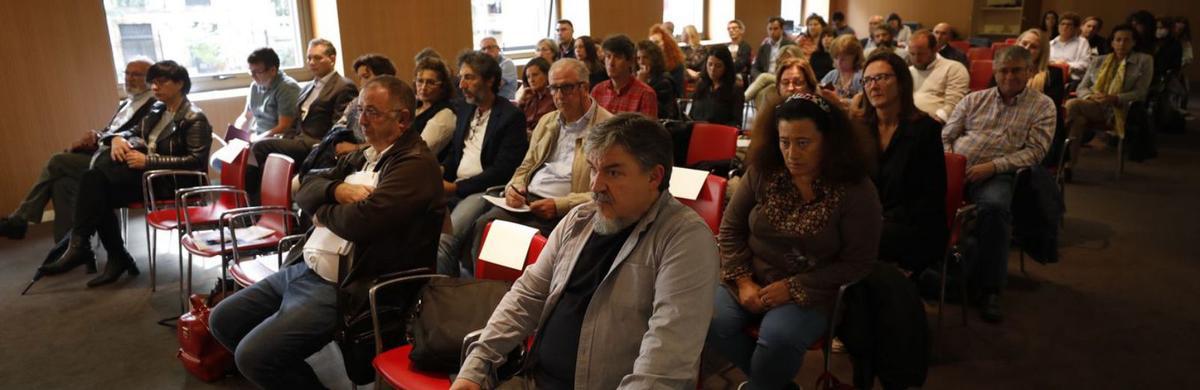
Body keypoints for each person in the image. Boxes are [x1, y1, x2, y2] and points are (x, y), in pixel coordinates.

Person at [451, 113, 717, 390]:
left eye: (613, 172)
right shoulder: (580, 219)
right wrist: (475, 368)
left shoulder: (684, 240)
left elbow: (663, 363)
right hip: (532, 379)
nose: (595, 185)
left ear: (654, 176)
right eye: (593, 169)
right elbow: (526, 296)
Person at [210, 75, 445, 388]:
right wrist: (337, 192)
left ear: (402, 119)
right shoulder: (364, 154)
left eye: (372, 112)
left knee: (253, 357)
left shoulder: (415, 165)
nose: (361, 120)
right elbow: (306, 186)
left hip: (348, 288)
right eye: (360, 110)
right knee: (223, 320)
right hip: (304, 268)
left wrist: (321, 210)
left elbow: (360, 223)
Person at [708, 93, 880, 390]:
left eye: (803, 143)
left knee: (778, 338)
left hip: (814, 287)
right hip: (753, 277)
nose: (791, 154)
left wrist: (792, 288)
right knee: (708, 318)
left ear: (829, 141)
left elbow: (858, 262)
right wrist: (744, 280)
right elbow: (731, 227)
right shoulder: (763, 171)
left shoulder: (856, 189)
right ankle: (773, 385)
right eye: (784, 142)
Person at [40, 60, 212, 286]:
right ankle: (105, 252)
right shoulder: (159, 108)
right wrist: (118, 139)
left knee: (95, 184)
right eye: (152, 83)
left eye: (161, 82)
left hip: (171, 181)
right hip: (148, 177)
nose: (154, 88)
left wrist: (148, 160)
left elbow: (196, 162)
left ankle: (92, 249)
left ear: (179, 84)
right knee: (96, 188)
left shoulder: (194, 118)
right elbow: (133, 131)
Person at [440, 59, 615, 276]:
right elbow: (525, 166)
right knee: (485, 226)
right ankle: (488, 291)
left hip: (569, 211)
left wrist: (558, 205)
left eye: (566, 87)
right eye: (554, 88)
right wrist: (515, 187)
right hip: (529, 202)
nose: (559, 95)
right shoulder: (548, 122)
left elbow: (606, 192)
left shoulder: (607, 129)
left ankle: (525, 293)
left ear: (585, 87)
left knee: (531, 245)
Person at [942, 46, 1056, 322]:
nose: (1009, 76)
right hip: (955, 168)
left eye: (1016, 70)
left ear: (1029, 72)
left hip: (998, 173)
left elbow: (1035, 152)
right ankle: (923, 271)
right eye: (1003, 70)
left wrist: (991, 167)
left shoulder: (1042, 106)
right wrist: (950, 161)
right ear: (995, 72)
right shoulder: (974, 100)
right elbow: (947, 134)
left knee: (994, 208)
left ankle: (990, 288)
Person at [0, 58, 156, 241]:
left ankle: (20, 219)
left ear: (151, 78)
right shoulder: (127, 103)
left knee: (57, 161)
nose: (129, 78)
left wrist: (104, 140)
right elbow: (112, 132)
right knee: (62, 184)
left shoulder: (154, 105)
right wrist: (95, 136)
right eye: (127, 73)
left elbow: (137, 139)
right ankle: (67, 244)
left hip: (121, 165)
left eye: (136, 74)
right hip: (104, 155)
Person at [860, 51, 948, 275]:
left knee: (854, 241)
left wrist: (879, 219)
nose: (874, 85)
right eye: (868, 80)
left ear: (901, 83)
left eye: (882, 78)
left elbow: (930, 197)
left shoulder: (925, 130)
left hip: (914, 226)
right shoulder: (861, 129)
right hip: (869, 220)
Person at [248, 39, 357, 202]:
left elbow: (340, 125)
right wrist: (287, 138)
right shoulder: (307, 87)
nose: (312, 62)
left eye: (318, 58)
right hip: (298, 140)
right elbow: (295, 122)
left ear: (332, 59)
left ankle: (250, 202)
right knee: (267, 163)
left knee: (259, 146)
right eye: (309, 58)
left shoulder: (343, 86)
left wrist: (323, 146)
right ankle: (268, 208)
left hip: (316, 143)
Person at [1064, 25, 1154, 179]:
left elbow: (1141, 92)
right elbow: (1082, 87)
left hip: (1119, 109)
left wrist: (1115, 98)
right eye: (1118, 40)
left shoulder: (1144, 60)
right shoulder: (1099, 60)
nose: (1121, 44)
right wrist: (1092, 97)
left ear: (1134, 43)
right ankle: (1068, 167)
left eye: (1126, 40)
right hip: (1092, 104)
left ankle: (1058, 153)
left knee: (1072, 105)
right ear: (1112, 42)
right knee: (1078, 120)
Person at [441, 51, 529, 202]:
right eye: (461, 77)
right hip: (456, 183)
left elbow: (502, 171)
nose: (461, 85)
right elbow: (455, 152)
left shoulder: (511, 116)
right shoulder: (466, 108)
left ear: (489, 80)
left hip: (486, 190)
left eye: (469, 77)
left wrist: (455, 188)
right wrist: (441, 170)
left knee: (455, 223)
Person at [299, 53, 399, 177]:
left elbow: (390, 141)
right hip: (344, 159)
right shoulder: (356, 102)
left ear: (384, 78)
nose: (362, 83)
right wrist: (336, 142)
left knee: (304, 185)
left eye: (366, 76)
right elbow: (339, 125)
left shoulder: (395, 104)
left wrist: (356, 147)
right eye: (360, 77)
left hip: (369, 163)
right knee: (305, 181)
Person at [909, 29, 970, 122]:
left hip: (934, 124)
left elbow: (953, 105)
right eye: (912, 54)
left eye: (921, 54)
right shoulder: (909, 71)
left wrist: (933, 123)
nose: (916, 59)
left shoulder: (954, 68)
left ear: (935, 49)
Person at [592, 34, 658, 118]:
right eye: (608, 57)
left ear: (630, 61)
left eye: (618, 57)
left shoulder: (645, 94)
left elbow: (648, 130)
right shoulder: (598, 90)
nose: (611, 63)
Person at [240, 47, 300, 138]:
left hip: (276, 139)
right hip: (258, 136)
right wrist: (237, 134)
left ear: (272, 70)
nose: (253, 76)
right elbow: (247, 117)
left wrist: (257, 140)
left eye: (257, 72)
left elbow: (284, 127)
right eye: (251, 72)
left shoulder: (287, 88)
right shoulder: (255, 86)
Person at [413, 56, 458, 156]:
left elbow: (420, 152)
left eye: (431, 83)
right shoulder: (414, 106)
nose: (423, 87)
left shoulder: (445, 114)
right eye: (420, 81)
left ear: (443, 87)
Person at [689, 46, 744, 126]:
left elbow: (736, 122)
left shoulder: (734, 89)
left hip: (719, 133)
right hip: (698, 132)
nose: (713, 69)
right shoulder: (701, 85)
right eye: (710, 64)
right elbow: (692, 115)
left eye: (718, 66)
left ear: (726, 67)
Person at [1017, 29, 1067, 107]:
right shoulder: (1004, 69)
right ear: (1017, 44)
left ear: (1042, 52)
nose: (1026, 48)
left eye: (1033, 47)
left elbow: (1051, 105)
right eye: (1024, 44)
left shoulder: (1054, 74)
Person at [636, 39, 681, 120]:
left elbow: (660, 111)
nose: (641, 62)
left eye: (645, 57)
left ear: (654, 59)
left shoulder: (664, 82)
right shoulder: (637, 77)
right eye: (638, 58)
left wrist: (642, 85)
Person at [1049, 12, 1093, 84]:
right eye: (1062, 24)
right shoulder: (1051, 44)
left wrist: (1065, 65)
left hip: (1072, 81)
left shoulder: (1082, 42)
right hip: (1050, 78)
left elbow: (1086, 64)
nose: (1065, 27)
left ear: (1076, 28)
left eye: (1069, 24)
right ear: (1058, 26)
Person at [820, 35, 865, 102]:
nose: (839, 62)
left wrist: (838, 100)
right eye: (836, 58)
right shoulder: (832, 74)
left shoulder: (861, 76)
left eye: (844, 59)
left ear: (855, 58)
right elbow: (818, 90)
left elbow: (863, 102)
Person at [518, 57, 556, 136]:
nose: (531, 80)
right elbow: (514, 121)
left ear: (546, 75)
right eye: (528, 77)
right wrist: (521, 102)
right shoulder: (528, 96)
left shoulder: (554, 96)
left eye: (535, 75)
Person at [649, 24, 688, 97]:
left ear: (665, 44)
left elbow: (677, 92)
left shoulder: (676, 65)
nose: (653, 47)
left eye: (657, 42)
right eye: (651, 43)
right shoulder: (648, 64)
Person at [728, 19, 754, 87]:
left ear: (741, 30)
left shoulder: (745, 47)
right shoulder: (726, 47)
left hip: (740, 74)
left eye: (734, 28)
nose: (731, 31)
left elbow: (740, 65)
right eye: (729, 29)